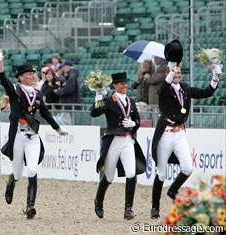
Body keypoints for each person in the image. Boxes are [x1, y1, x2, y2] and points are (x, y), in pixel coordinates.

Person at [150, 39, 222, 219]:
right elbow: (163, 87)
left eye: (179, 72)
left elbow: (206, 92)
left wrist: (215, 77)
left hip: (180, 133)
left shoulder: (186, 88)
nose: (177, 75)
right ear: (169, 73)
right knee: (161, 172)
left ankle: (173, 190)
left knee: (188, 168)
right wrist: (171, 68)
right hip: (166, 133)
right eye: (175, 72)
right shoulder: (164, 89)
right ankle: (155, 208)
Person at [0, 56, 68, 219]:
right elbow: (3, 79)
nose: (32, 76)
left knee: (33, 169)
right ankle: (11, 182)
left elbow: (45, 113)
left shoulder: (38, 93)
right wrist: (0, 63)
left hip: (33, 136)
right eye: (28, 74)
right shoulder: (15, 90)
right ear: (21, 77)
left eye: (33, 73)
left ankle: (30, 206)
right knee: (17, 174)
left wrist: (57, 128)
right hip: (17, 136)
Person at [91, 72, 146, 220]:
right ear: (114, 85)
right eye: (121, 83)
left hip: (127, 140)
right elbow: (95, 113)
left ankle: (128, 208)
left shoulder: (131, 101)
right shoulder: (109, 101)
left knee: (131, 173)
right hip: (113, 141)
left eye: (125, 83)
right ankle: (99, 201)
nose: (124, 85)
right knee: (109, 177)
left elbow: (137, 120)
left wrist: (134, 124)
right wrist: (97, 98)